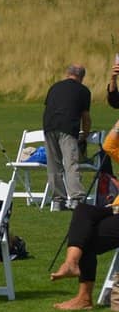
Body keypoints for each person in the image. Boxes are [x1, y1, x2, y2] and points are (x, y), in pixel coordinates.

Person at [50, 119, 119, 310]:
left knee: (85, 234)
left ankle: (83, 295)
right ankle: (73, 268)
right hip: (115, 210)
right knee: (83, 213)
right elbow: (109, 145)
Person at [42, 64, 91, 211]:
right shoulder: (83, 91)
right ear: (82, 77)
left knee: (53, 164)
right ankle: (76, 198)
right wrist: (85, 134)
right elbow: (86, 117)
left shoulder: (55, 87)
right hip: (68, 127)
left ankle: (58, 200)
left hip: (49, 126)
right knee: (71, 163)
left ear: (67, 73)